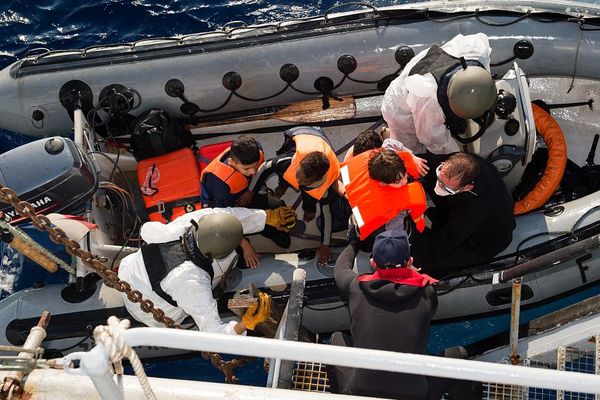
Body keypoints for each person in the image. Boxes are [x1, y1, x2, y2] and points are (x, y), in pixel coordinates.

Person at [117, 206, 295, 334]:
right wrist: (245, 323)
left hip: (130, 272)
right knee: (227, 263)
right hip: (151, 308)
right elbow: (214, 333)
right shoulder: (193, 283)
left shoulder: (190, 223)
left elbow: (226, 214)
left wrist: (268, 216)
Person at [328, 230, 440, 399]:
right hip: (415, 394)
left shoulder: (356, 288)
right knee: (458, 353)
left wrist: (353, 241)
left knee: (337, 338)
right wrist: (413, 274)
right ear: (409, 262)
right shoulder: (427, 293)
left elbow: (341, 268)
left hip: (362, 391)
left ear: (373, 263)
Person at [380, 33, 497, 155]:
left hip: (422, 78)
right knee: (411, 153)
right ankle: (390, 136)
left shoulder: (476, 51)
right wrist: (458, 155)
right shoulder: (428, 99)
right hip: (400, 110)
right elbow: (435, 141)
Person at [248, 126, 347, 266]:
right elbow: (264, 167)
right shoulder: (290, 161)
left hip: (319, 140)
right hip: (303, 133)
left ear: (314, 181)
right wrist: (250, 191)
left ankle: (309, 210)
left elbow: (327, 216)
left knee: (310, 198)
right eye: (297, 174)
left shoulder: (323, 188)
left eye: (302, 180)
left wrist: (325, 245)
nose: (297, 179)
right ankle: (283, 185)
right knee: (285, 173)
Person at [410, 152, 515, 274]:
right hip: (460, 206)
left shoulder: (473, 212)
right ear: (445, 164)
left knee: (423, 260)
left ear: (468, 188)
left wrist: (410, 227)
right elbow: (424, 163)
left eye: (446, 188)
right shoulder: (461, 163)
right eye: (439, 177)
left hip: (482, 243)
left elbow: (434, 251)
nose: (438, 187)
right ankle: (442, 214)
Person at [201, 135, 288, 268]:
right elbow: (224, 218)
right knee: (243, 261)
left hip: (245, 194)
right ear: (231, 162)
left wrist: (251, 192)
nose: (253, 171)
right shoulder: (218, 183)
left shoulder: (255, 150)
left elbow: (258, 174)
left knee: (279, 210)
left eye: (254, 166)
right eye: (247, 169)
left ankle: (271, 232)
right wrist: (245, 245)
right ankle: (245, 244)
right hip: (225, 208)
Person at [341, 147, 427, 241]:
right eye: (398, 181)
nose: (404, 181)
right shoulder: (390, 205)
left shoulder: (380, 162)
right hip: (376, 226)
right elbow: (395, 236)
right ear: (383, 184)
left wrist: (412, 156)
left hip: (357, 212)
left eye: (405, 174)